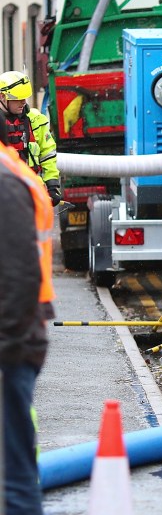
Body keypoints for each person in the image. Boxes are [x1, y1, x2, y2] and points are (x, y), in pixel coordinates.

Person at [0, 115, 55, 514]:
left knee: (15, 473)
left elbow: (18, 273)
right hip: (18, 333)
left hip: (12, 340)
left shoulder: (5, 183)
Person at [0, 71, 61, 205]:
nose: (23, 102)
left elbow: (48, 155)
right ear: (2, 97)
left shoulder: (35, 120)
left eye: (25, 98)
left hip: (32, 192)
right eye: (18, 98)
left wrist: (52, 186)